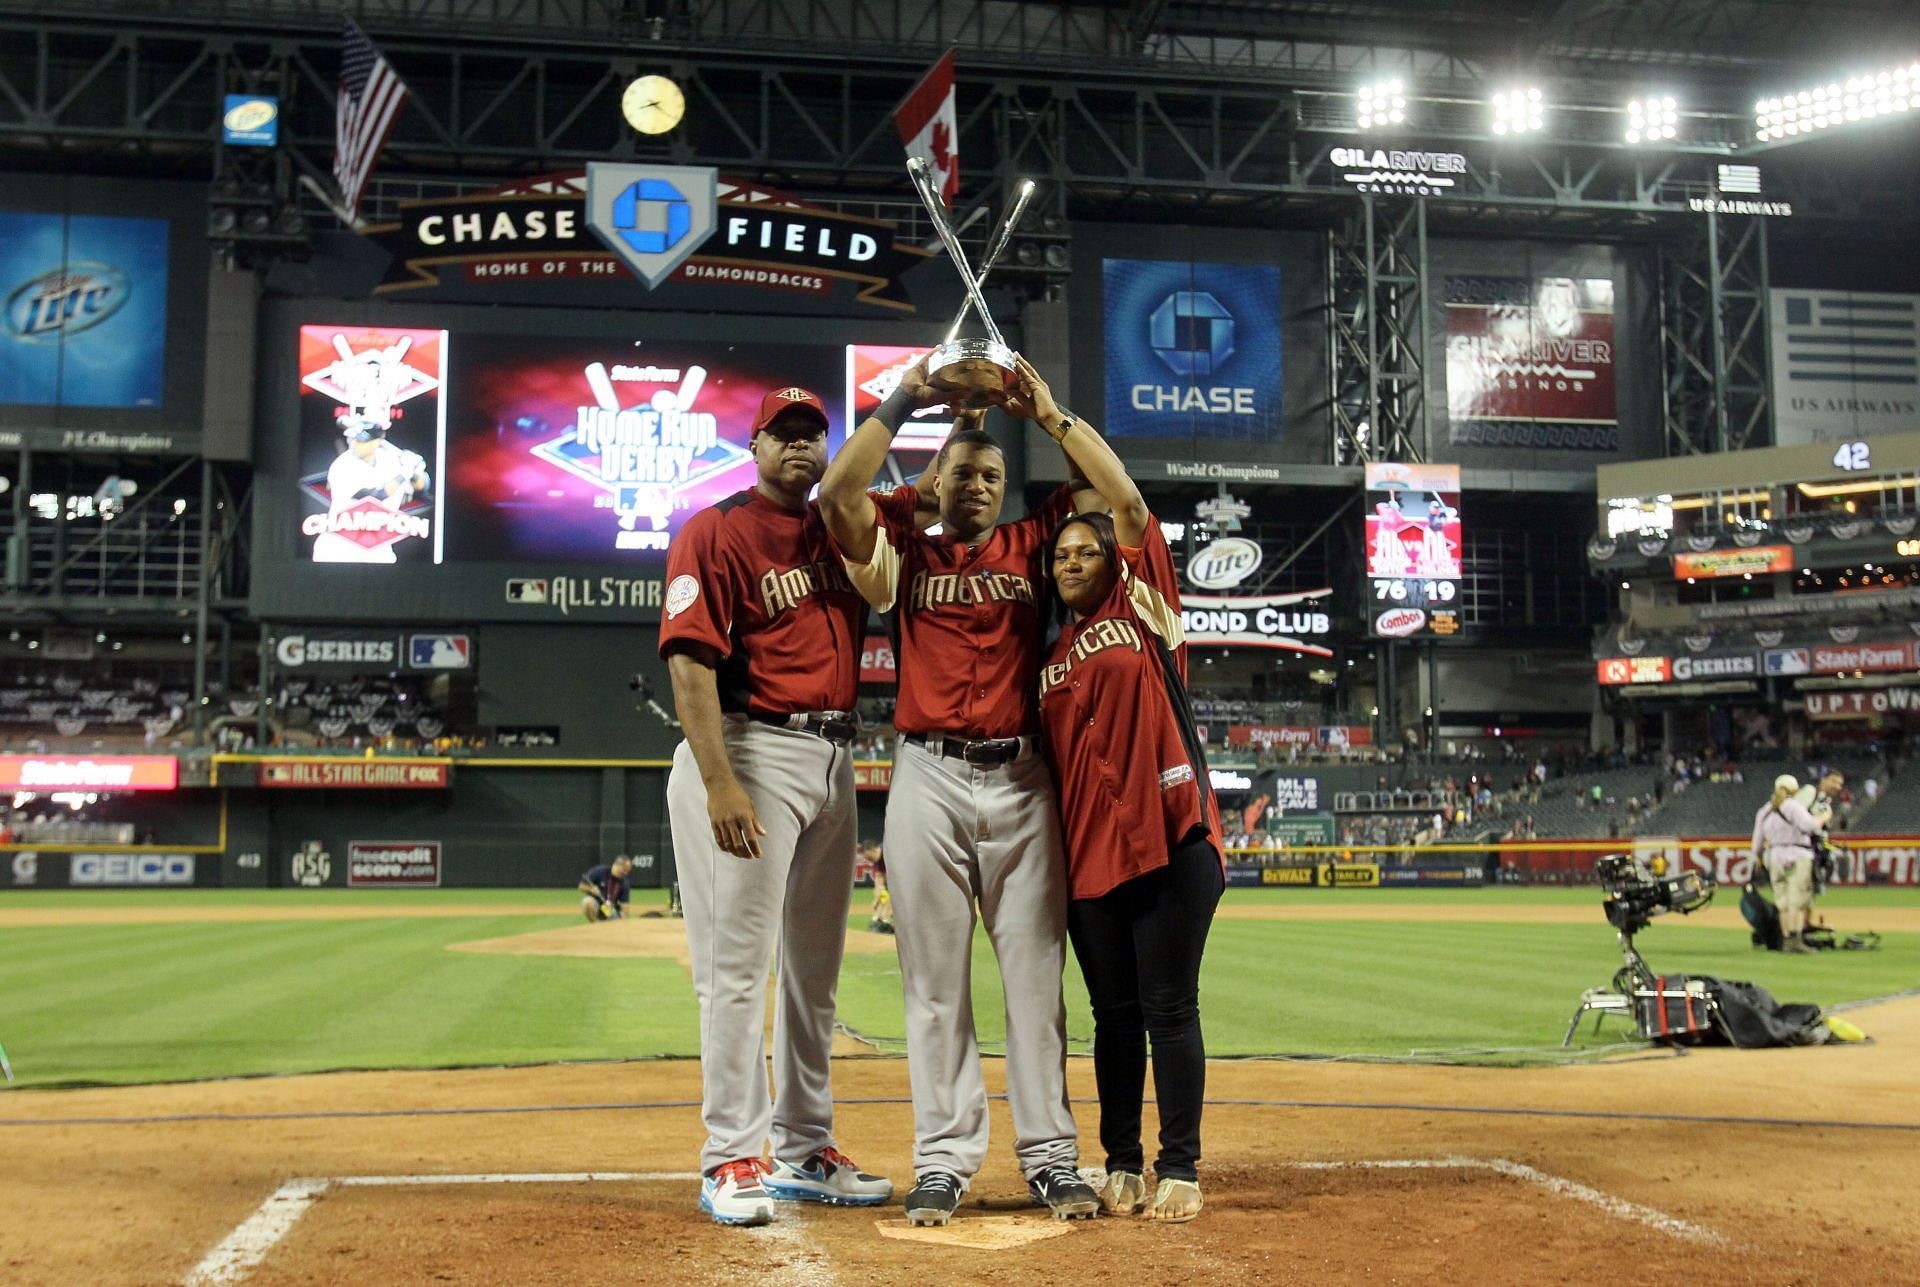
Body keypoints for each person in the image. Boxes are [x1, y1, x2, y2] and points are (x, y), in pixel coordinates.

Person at [819, 354, 1102, 1227]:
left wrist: (1045, 411)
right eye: (960, 472)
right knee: (933, 986)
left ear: (1005, 486)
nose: (976, 483)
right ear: (934, 482)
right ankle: (943, 1157)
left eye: (990, 473)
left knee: (1034, 983)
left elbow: (1112, 497)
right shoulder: (903, 549)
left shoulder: (1034, 543)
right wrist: (909, 397)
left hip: (1023, 780)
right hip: (928, 778)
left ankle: (1052, 1156)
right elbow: (837, 497)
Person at [661, 385, 905, 1226]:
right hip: (749, 747)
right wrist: (721, 780)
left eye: (814, 434)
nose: (800, 446)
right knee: (736, 974)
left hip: (834, 756)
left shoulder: (845, 521)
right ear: (755, 444)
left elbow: (940, 491)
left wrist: (947, 403)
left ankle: (803, 1143)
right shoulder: (714, 531)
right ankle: (730, 1153)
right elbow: (690, 664)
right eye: (784, 433)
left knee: (815, 975)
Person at [1009, 356, 1224, 1224]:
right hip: (1093, 864)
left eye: (1083, 549)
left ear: (1112, 562)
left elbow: (1125, 501)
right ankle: (1122, 1161)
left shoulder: (1147, 615)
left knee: (1170, 1007)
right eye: (1059, 552)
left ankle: (1180, 1165)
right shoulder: (1052, 660)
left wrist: (1052, 416)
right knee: (1113, 1017)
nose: (1069, 559)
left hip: (1172, 841)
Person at [313, 415, 430, 563]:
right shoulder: (343, 465)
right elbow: (374, 497)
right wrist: (404, 473)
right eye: (352, 439)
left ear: (377, 442)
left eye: (361, 440)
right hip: (339, 547)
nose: (354, 444)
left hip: (379, 548)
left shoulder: (390, 461)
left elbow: (422, 487)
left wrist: (414, 471)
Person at [1751, 774, 1823, 954]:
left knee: (1782, 902)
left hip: (1774, 856)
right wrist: (1824, 817)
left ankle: (1784, 940)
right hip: (1797, 854)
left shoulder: (1765, 811)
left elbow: (1757, 844)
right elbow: (1809, 826)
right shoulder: (1793, 806)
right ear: (1795, 790)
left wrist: (1759, 859)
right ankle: (1795, 940)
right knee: (1796, 901)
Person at [577, 855, 634, 921]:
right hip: (596, 904)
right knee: (587, 902)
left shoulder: (624, 882)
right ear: (616, 865)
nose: (626, 873)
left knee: (615, 920)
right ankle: (594, 926)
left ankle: (607, 926)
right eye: (624, 870)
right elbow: (581, 886)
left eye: (628, 871)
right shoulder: (600, 871)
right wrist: (591, 890)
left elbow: (625, 906)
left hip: (607, 907)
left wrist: (624, 919)